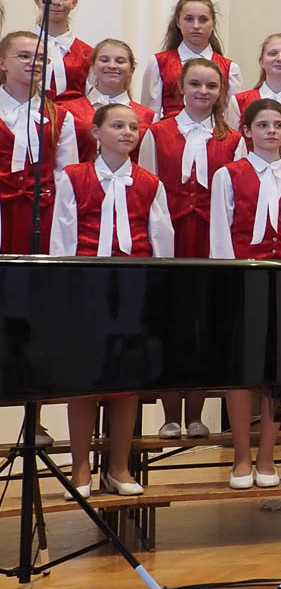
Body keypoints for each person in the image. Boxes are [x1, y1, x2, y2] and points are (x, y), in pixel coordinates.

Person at [50, 101, 174, 499]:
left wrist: (156, 293)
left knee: (127, 380)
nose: (127, 133)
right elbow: (62, 239)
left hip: (132, 289)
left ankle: (119, 467)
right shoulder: (74, 177)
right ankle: (80, 467)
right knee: (84, 379)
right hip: (87, 287)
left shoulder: (150, 183)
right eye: (117, 126)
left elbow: (161, 244)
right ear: (96, 132)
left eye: (133, 127)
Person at [210, 98, 281, 488]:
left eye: (278, 125)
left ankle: (267, 455)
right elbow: (220, 235)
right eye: (262, 125)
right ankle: (241, 457)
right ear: (247, 131)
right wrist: (227, 284)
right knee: (242, 371)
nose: (271, 131)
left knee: (279, 371)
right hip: (244, 280)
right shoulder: (228, 175)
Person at [137, 57, 240, 438]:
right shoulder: (158, 132)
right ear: (180, 87)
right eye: (195, 84)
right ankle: (169, 415)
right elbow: (146, 187)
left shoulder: (233, 139)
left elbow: (237, 198)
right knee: (168, 322)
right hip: (171, 238)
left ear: (221, 91)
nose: (203, 91)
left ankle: (196, 413)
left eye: (211, 86)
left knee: (203, 324)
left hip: (211, 240)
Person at [0, 31, 78, 255]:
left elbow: (66, 175)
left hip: (42, 214)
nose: (34, 63)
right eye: (24, 56)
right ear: (2, 63)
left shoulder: (60, 116)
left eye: (42, 58)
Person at [141, 0, 243, 123]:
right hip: (170, 132)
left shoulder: (230, 68)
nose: (196, 26)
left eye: (203, 20)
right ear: (178, 22)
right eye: (189, 19)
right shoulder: (159, 63)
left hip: (214, 133)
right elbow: (150, 115)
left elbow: (232, 119)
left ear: (214, 24)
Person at [60, 39, 155, 163]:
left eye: (120, 61)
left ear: (131, 70)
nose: (112, 66)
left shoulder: (149, 117)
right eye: (104, 60)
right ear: (93, 67)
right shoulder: (67, 111)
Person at [234, 33, 281, 138]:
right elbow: (233, 143)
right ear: (261, 61)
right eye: (273, 53)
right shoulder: (239, 101)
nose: (280, 58)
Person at [33, 0, 92, 101]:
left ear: (74, 3)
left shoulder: (87, 53)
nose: (56, 2)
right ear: (37, 0)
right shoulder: (20, 48)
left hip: (75, 112)